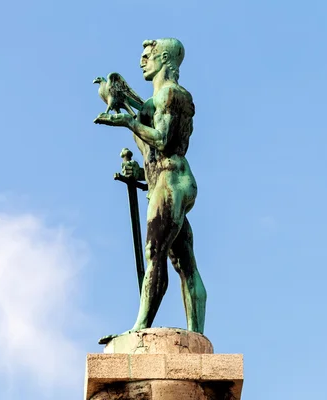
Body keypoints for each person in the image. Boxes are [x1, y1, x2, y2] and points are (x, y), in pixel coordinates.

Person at [94, 38, 206, 338]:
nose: (143, 61)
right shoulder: (155, 100)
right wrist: (139, 173)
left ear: (165, 59)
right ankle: (196, 334)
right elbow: (156, 156)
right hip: (164, 179)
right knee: (184, 261)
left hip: (173, 181)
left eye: (149, 56)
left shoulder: (172, 94)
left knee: (154, 252)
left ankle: (140, 327)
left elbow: (165, 141)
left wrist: (130, 123)